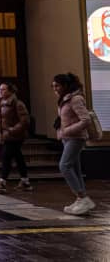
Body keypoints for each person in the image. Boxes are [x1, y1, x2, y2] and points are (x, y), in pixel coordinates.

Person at [53, 72, 95, 215]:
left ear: (65, 85)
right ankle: (81, 199)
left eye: (57, 85)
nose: (55, 89)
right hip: (67, 138)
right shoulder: (64, 99)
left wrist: (67, 130)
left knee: (64, 166)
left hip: (76, 138)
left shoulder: (75, 99)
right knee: (75, 169)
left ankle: (83, 198)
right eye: (53, 86)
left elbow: (86, 119)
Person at [0, 82, 32, 193]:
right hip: (4, 135)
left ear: (11, 91)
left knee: (6, 157)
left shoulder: (17, 104)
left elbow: (25, 121)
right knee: (18, 157)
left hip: (15, 136)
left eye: (3, 89)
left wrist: (12, 130)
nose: (0, 91)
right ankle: (25, 181)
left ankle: (2, 181)